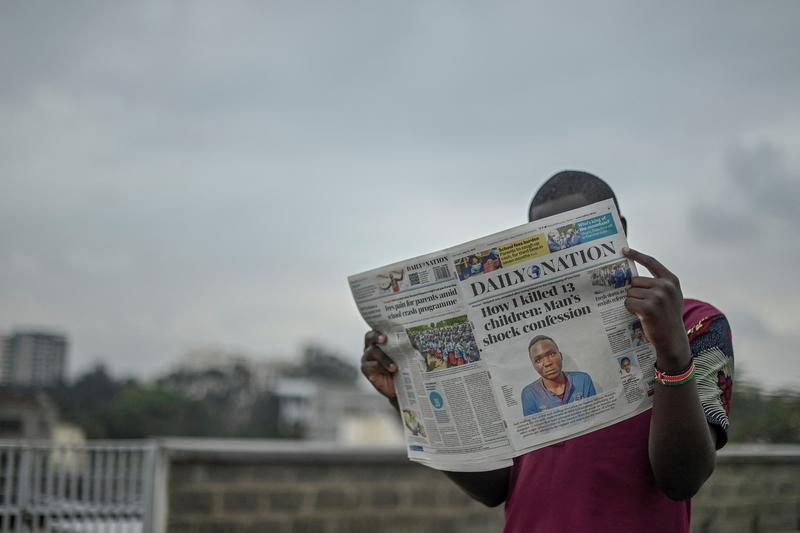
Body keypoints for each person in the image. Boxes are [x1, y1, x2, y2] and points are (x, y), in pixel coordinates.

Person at [360, 170, 734, 532]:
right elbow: (495, 489)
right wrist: (405, 397)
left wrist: (671, 353)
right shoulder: (516, 361)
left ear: (619, 227)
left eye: (574, 235)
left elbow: (682, 479)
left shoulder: (695, 324)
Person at [520, 335, 596, 416]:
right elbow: (535, 428)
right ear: (534, 365)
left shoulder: (583, 380)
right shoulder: (529, 394)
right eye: (538, 360)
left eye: (552, 354)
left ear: (561, 356)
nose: (547, 363)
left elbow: (595, 417)